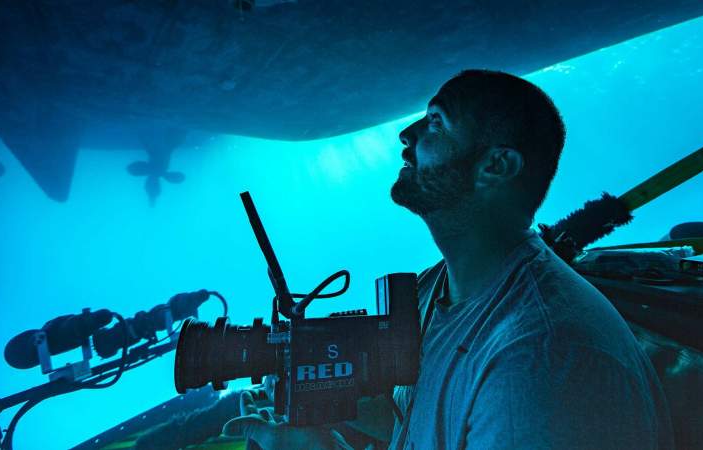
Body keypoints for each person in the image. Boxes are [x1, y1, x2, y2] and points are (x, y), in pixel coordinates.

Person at [226, 69, 675, 449]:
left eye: (437, 123)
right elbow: (423, 423)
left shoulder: (543, 359)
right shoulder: (433, 290)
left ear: (496, 166)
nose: (407, 135)